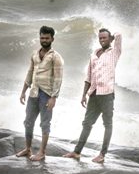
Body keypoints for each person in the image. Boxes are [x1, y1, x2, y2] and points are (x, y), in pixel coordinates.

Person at [63, 28, 122, 163]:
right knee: (87, 123)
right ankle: (77, 152)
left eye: (104, 38)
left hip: (107, 94)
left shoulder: (114, 53)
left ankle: (102, 154)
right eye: (100, 38)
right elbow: (88, 77)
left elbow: (119, 35)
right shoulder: (94, 55)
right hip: (94, 95)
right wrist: (84, 95)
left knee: (107, 124)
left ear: (110, 39)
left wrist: (113, 37)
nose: (102, 40)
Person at [16, 25, 64, 161]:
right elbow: (30, 72)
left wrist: (53, 98)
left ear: (52, 39)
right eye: (42, 37)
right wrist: (23, 91)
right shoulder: (35, 54)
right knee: (28, 122)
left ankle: (42, 152)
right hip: (34, 92)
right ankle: (28, 148)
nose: (44, 40)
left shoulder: (56, 57)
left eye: (47, 38)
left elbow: (58, 79)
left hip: (46, 94)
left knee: (45, 123)